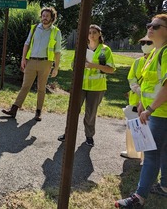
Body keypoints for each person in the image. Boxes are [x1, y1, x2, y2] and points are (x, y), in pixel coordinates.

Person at [115, 14, 167, 208]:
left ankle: (139, 197)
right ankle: (165, 187)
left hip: (161, 112)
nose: (150, 28)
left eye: (156, 26)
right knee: (163, 151)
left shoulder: (166, 52)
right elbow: (149, 83)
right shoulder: (155, 52)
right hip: (155, 110)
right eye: (149, 25)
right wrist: (143, 105)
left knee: (151, 154)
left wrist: (150, 109)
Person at [57, 24, 115, 147]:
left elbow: (111, 69)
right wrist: (79, 64)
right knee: (73, 111)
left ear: (99, 34)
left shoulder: (105, 50)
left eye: (94, 32)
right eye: (89, 32)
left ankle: (89, 136)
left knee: (90, 114)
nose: (91, 35)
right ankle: (68, 134)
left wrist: (95, 66)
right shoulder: (81, 48)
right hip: (80, 85)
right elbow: (73, 65)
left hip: (97, 87)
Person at [2, 6, 61, 121]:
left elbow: (57, 51)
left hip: (46, 63)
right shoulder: (34, 28)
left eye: (47, 16)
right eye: (43, 16)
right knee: (25, 86)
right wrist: (23, 59)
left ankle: (38, 112)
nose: (44, 18)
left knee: (41, 88)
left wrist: (56, 67)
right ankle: (14, 109)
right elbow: (27, 43)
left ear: (52, 18)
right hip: (31, 61)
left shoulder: (56, 31)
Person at [120, 35, 154, 162]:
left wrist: (143, 91)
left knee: (148, 131)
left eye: (148, 42)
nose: (145, 45)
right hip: (134, 101)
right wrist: (135, 87)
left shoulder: (157, 60)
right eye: (143, 42)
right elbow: (131, 77)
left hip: (149, 103)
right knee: (132, 128)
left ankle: (146, 157)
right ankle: (132, 152)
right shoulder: (137, 62)